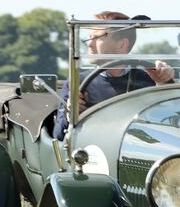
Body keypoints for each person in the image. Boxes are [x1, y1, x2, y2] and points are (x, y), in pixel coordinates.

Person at [53, 11, 173, 140]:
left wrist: (163, 83)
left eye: (97, 38)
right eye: (89, 37)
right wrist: (71, 114)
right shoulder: (77, 82)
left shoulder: (148, 80)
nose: (89, 44)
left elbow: (168, 127)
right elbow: (58, 136)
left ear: (122, 44)